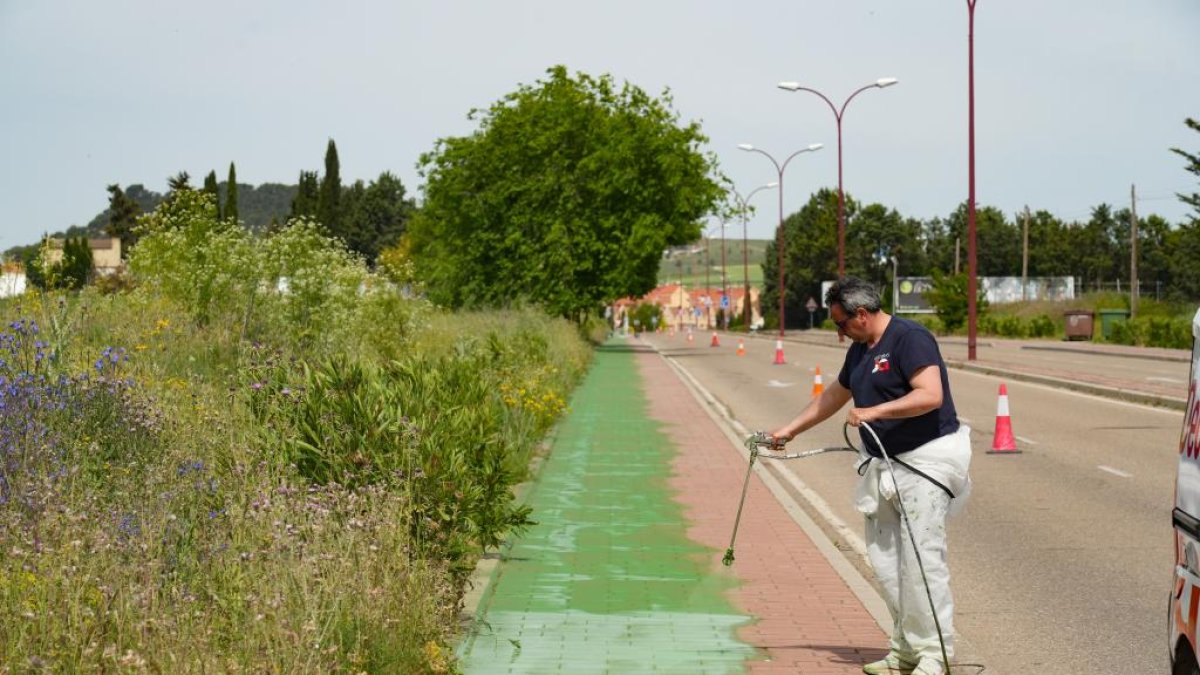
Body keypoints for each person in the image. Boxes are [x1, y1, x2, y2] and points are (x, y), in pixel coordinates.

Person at [769, 277, 972, 675]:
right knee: (886, 562)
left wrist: (875, 412)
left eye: (841, 324)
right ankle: (905, 646)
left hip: (925, 461)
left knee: (920, 559)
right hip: (883, 463)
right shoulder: (861, 350)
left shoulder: (910, 339)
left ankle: (935, 652)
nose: (839, 333)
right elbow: (834, 395)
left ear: (862, 314)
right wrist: (790, 430)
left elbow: (930, 394)